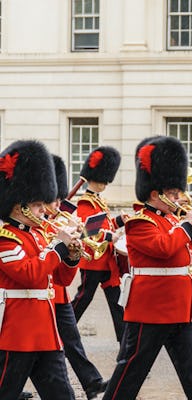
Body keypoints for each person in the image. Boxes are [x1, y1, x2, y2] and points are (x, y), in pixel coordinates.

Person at [103, 136, 192, 399]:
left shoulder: (172, 220)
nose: (180, 198)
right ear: (156, 193)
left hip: (180, 310)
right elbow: (163, 248)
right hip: (151, 311)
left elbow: (190, 255)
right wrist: (186, 227)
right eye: (174, 193)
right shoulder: (140, 222)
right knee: (130, 375)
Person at [0, 140, 85, 399]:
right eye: (38, 205)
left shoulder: (39, 236)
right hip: (17, 334)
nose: (43, 211)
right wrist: (57, 249)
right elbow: (29, 274)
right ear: (19, 205)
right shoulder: (7, 239)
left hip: (46, 333)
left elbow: (59, 278)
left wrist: (71, 256)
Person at [47, 155, 107, 399]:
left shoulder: (55, 219)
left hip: (57, 292)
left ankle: (91, 381)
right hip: (36, 293)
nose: (56, 204)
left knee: (71, 339)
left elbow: (64, 272)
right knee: (20, 351)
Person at [71, 146, 126, 343]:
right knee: (83, 298)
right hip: (93, 261)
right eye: (103, 180)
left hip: (107, 259)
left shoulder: (98, 201)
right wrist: (111, 235)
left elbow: (106, 224)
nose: (105, 184)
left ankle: (125, 342)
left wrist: (121, 220)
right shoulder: (86, 202)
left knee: (117, 302)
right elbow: (89, 229)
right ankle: (64, 328)